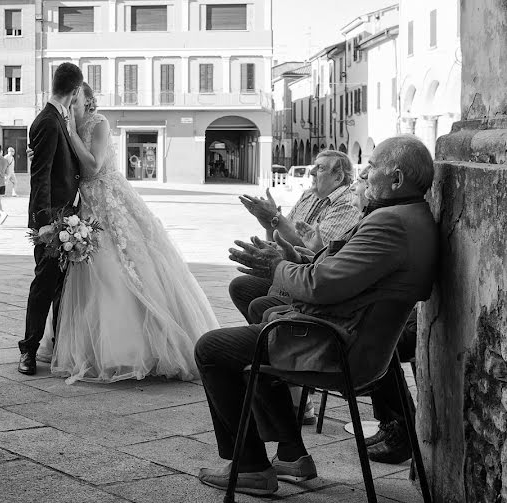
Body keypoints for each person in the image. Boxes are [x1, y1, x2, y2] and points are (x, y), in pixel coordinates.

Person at [194, 134, 438, 496]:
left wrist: (276, 265)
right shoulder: (404, 217)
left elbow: (322, 286)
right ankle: (291, 455)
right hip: (347, 336)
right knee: (258, 327)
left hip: (339, 347)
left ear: (397, 179)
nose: (365, 174)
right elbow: (338, 271)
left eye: (371, 168)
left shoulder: (390, 225)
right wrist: (291, 260)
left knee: (211, 349)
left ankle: (250, 466)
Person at [41, 84, 220, 384]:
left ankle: (135, 350)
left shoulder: (98, 124)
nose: (73, 103)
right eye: (69, 99)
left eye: (78, 97)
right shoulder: (63, 123)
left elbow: (94, 166)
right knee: (91, 273)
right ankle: (91, 348)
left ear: (88, 99)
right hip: (83, 204)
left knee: (126, 265)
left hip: (110, 199)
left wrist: (71, 132)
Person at [230, 150, 362, 322]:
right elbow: (280, 239)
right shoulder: (309, 195)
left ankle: (269, 339)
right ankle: (264, 338)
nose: (312, 172)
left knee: (260, 305)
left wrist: (275, 219)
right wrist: (269, 225)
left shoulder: (346, 203)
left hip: (308, 278)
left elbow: (315, 250)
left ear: (338, 178)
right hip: (292, 270)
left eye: (320, 168)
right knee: (240, 287)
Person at [18, 62, 83, 375]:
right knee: (44, 284)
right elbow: (40, 175)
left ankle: (54, 344)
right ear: (73, 92)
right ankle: (28, 349)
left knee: (60, 286)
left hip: (67, 216)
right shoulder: (47, 120)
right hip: (51, 221)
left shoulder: (59, 117)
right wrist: (44, 221)